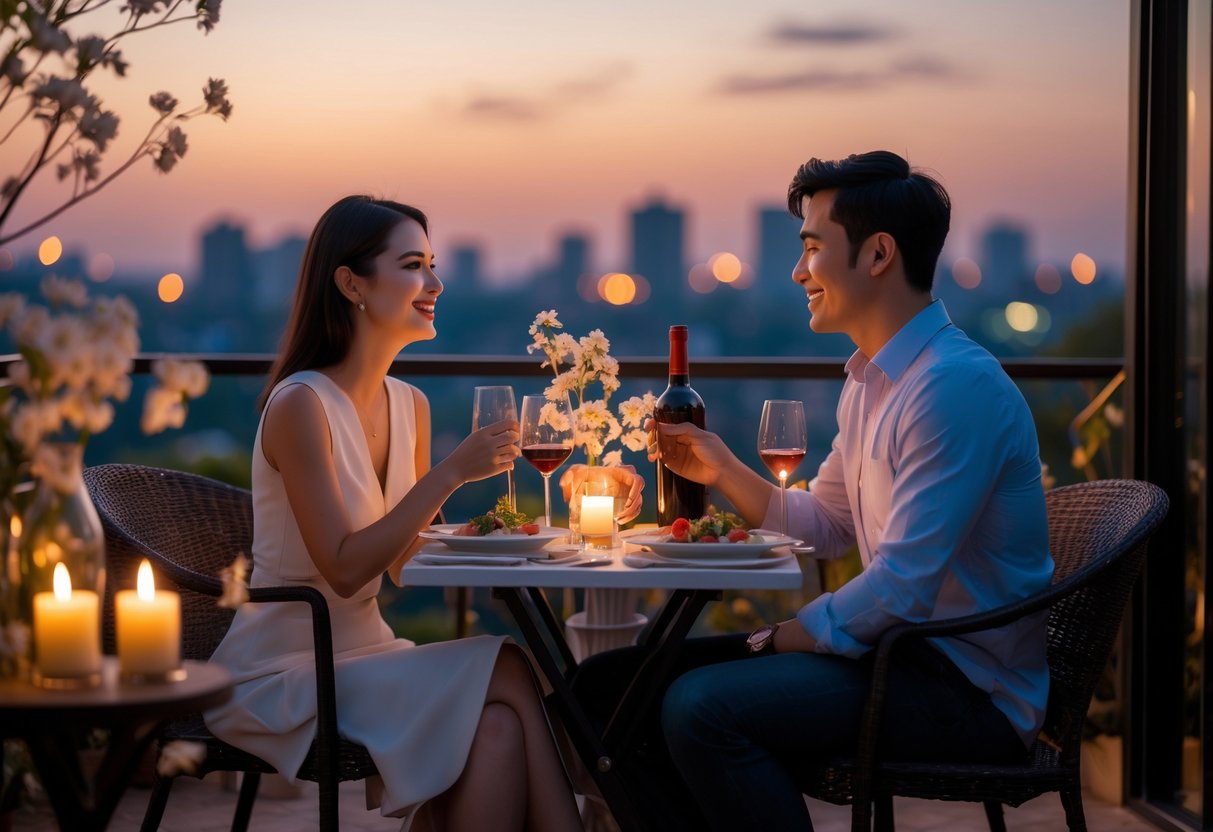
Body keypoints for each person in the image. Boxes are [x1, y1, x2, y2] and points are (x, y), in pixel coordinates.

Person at [583, 150, 1054, 831]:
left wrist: (783, 637)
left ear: (878, 255)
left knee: (699, 706)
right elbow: (827, 523)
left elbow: (901, 587)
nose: (798, 271)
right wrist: (720, 471)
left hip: (963, 688)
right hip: (895, 656)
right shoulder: (872, 381)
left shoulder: (953, 387)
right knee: (604, 689)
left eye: (811, 248)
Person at [204, 196, 585, 832]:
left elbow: (402, 562)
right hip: (288, 668)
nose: (435, 283)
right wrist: (450, 475)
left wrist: (486, 535)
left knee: (494, 728)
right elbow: (348, 570)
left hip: (370, 651)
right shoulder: (301, 405)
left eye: (433, 265)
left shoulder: (409, 404)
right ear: (351, 283)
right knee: (511, 664)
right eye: (414, 265)